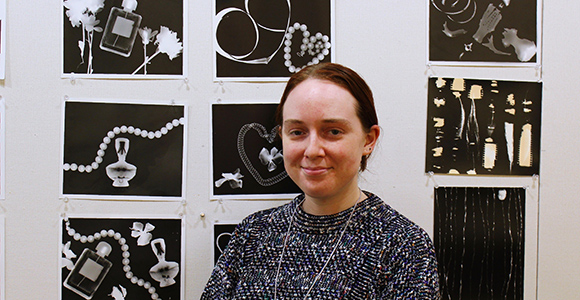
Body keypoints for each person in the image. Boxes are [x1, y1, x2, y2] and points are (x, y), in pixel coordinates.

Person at [201, 63, 440, 299]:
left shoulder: (403, 246)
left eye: (333, 131)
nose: (312, 150)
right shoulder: (252, 233)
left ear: (368, 139)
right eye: (297, 132)